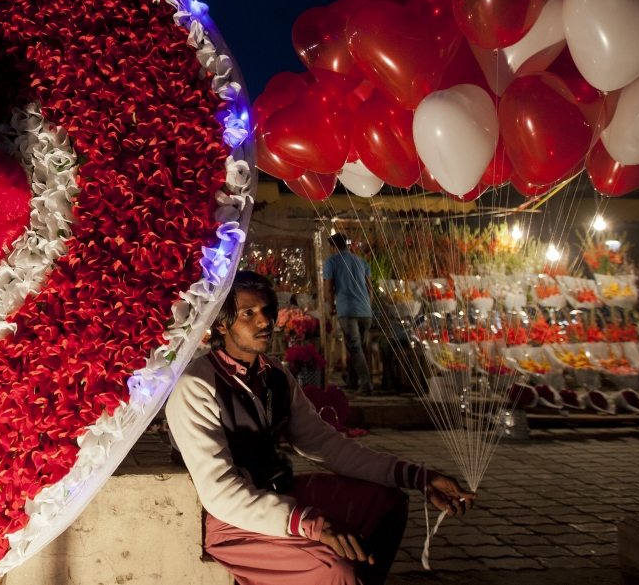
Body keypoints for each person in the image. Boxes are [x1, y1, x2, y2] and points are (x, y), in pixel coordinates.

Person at [166, 271, 474, 585]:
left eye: (267, 311)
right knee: (334, 569)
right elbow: (220, 493)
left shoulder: (275, 375)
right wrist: (313, 523)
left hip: (281, 494)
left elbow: (326, 445)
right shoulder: (197, 385)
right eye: (248, 313)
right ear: (221, 324)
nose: (264, 321)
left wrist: (418, 476)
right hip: (233, 523)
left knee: (387, 503)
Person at [323, 234, 373, 394]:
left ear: (333, 247)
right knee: (358, 348)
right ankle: (352, 380)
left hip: (348, 309)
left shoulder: (331, 262)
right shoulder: (361, 261)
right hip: (365, 311)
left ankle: (366, 384)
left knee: (355, 347)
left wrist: (331, 306)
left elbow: (328, 288)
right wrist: (367, 305)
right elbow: (370, 288)